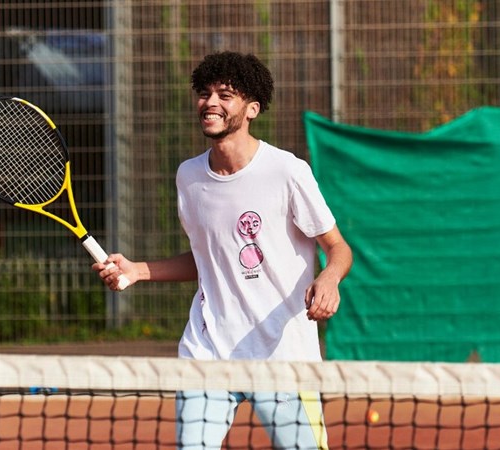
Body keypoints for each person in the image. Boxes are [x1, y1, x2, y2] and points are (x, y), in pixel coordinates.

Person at [93, 51, 353, 450]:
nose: (210, 102)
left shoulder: (287, 171)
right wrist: (138, 270)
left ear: (252, 109)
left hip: (283, 357)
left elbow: (337, 247)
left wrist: (329, 278)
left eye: (225, 95)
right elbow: (208, 261)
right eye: (204, 92)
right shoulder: (189, 177)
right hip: (207, 352)